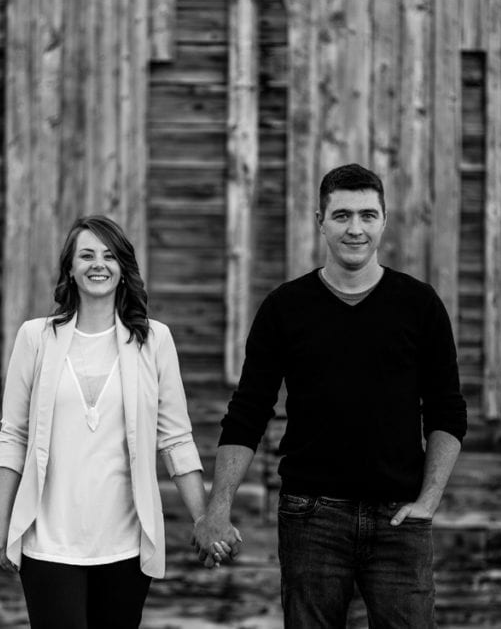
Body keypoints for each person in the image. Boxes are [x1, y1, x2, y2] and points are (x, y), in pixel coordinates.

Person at [193, 163, 467, 627]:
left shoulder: (419, 305)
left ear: (384, 220)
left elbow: (447, 409)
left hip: (399, 517)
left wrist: (429, 500)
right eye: (341, 216)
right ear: (320, 220)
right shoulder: (285, 308)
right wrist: (217, 510)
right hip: (310, 517)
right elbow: (247, 412)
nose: (355, 229)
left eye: (366, 215)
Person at [0, 215, 210, 628]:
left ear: (122, 269)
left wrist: (203, 518)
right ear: (70, 269)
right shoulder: (36, 338)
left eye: (109, 256)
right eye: (87, 255)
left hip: (125, 546)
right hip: (49, 545)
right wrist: (3, 523)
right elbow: (13, 436)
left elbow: (177, 439)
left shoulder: (153, 341)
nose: (98, 264)